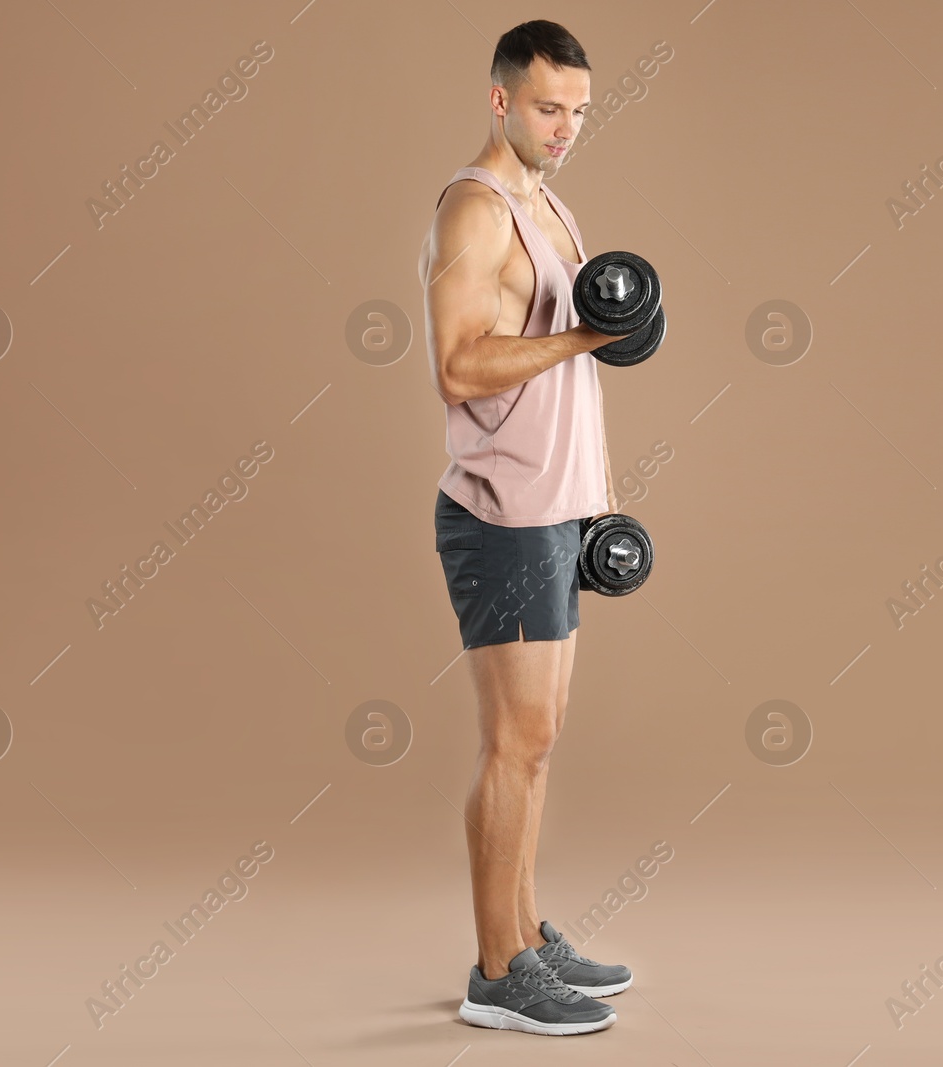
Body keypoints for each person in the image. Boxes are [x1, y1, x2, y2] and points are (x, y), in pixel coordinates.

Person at [418, 19, 638, 1037]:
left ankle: (521, 931)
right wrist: (589, 331)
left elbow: (571, 353)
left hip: (553, 511)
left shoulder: (549, 202)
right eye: (549, 107)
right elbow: (461, 364)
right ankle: (497, 967)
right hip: (499, 515)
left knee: (536, 742)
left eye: (580, 112)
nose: (566, 128)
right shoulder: (476, 207)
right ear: (500, 99)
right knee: (514, 741)